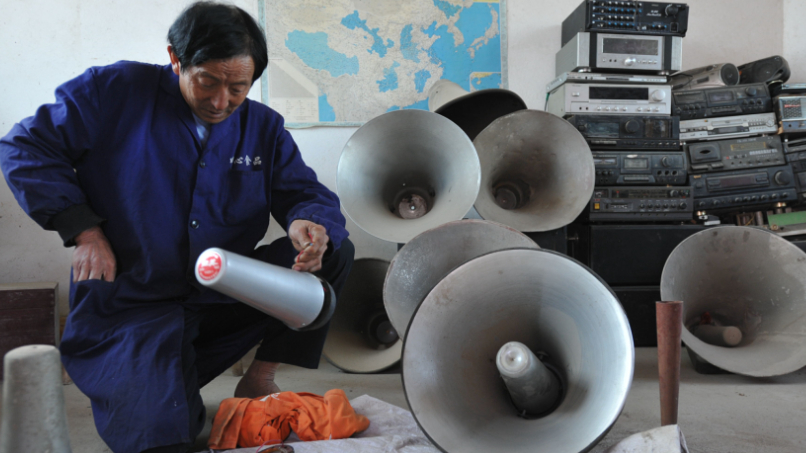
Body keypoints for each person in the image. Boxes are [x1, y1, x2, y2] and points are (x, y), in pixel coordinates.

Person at [0, 2, 354, 453]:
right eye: (207, 81)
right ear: (175, 58)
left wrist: (308, 221)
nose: (221, 102)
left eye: (238, 87)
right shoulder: (113, 90)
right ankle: (150, 384)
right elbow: (24, 147)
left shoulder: (263, 127)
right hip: (132, 310)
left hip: (220, 297)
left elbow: (304, 192)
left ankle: (260, 376)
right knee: (165, 441)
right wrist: (84, 230)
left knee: (333, 251)